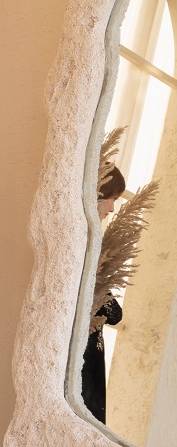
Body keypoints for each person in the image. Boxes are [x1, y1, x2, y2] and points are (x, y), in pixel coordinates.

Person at [81, 165, 126, 423]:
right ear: (101, 192)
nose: (113, 208)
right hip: (85, 353)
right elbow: (115, 314)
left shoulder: (88, 239)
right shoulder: (86, 241)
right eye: (114, 199)